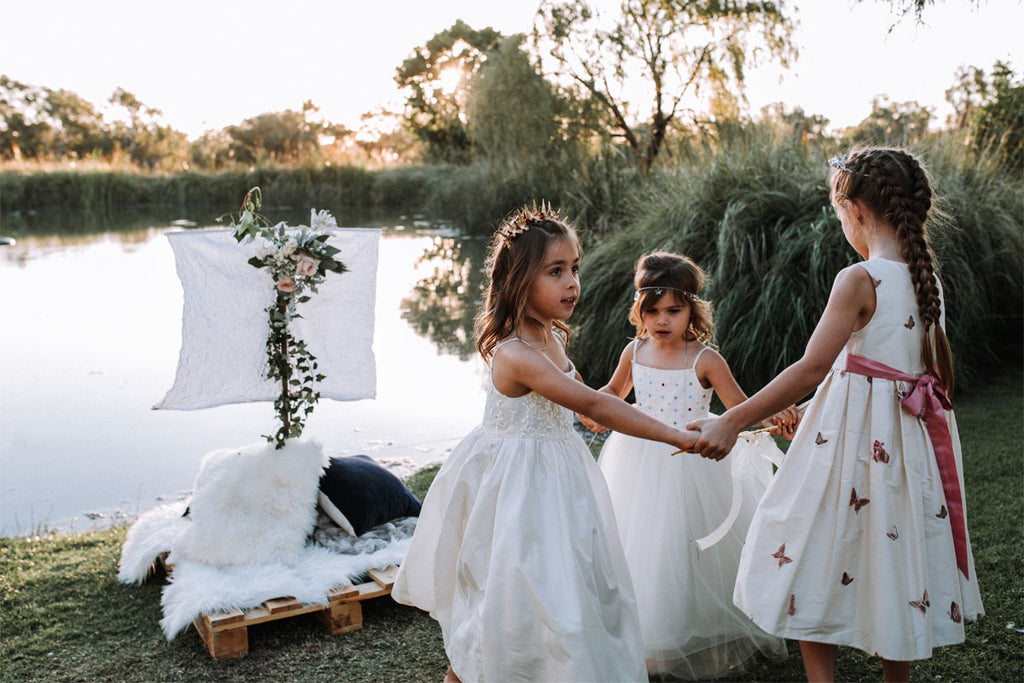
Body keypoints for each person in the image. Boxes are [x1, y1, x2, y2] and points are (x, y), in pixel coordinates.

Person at [688, 148, 984, 683]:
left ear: (854, 210)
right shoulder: (927, 280)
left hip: (852, 450)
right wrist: (818, 406)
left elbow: (811, 366)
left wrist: (730, 420)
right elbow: (888, 368)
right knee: (892, 556)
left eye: (837, 212)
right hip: (904, 447)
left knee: (807, 544)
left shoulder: (859, 279)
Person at [391, 204, 698, 683]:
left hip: (558, 477)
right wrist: (675, 435)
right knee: (511, 590)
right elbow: (596, 406)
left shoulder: (550, 335)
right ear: (518, 280)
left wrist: (592, 408)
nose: (572, 282)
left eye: (574, 268)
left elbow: (584, 400)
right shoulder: (516, 353)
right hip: (517, 488)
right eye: (556, 271)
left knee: (560, 588)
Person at [582, 251, 794, 679]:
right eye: (653, 310)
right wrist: (591, 409)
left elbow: (741, 408)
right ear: (639, 311)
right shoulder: (634, 351)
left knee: (683, 546)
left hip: (693, 464)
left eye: (673, 311)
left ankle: (687, 629)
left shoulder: (705, 360)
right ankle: (647, 634)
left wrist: (778, 412)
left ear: (691, 310)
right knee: (640, 544)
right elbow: (611, 393)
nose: (662, 320)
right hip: (636, 462)